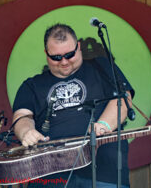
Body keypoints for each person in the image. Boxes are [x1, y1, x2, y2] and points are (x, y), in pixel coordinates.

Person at [12, 23, 134, 188]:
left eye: (69, 55)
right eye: (56, 57)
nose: (64, 62)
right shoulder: (32, 85)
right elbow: (22, 116)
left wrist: (104, 124)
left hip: (104, 173)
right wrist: (26, 132)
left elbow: (123, 99)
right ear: (46, 54)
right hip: (50, 174)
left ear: (78, 47)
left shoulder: (102, 67)